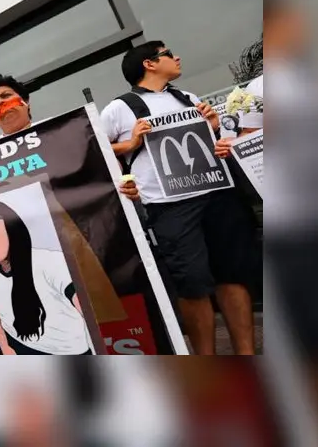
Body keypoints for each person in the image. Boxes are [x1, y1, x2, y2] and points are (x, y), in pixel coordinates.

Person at [99, 40, 256, 355]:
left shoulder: (189, 98)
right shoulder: (119, 108)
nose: (177, 56)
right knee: (193, 284)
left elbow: (213, 142)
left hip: (217, 194)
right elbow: (95, 151)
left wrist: (217, 134)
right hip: (170, 206)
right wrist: (129, 145)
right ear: (149, 63)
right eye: (168, 54)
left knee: (233, 276)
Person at [0, 73, 141, 201]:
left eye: (6, 95)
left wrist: (123, 187)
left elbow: (104, 171)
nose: (0, 102)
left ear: (26, 101)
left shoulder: (65, 132)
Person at [0, 201, 92, 355]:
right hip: (18, 347)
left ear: (11, 224)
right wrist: (6, 348)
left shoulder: (50, 262)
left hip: (68, 352)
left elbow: (87, 307)